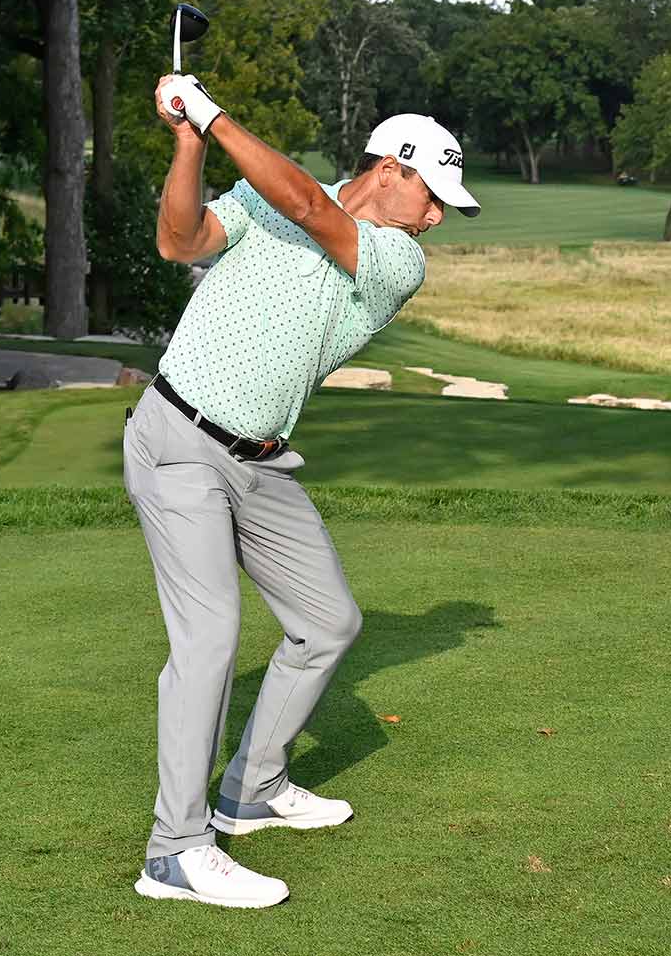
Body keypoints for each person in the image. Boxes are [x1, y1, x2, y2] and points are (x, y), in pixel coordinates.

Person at [122, 72, 480, 909]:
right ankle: (173, 850)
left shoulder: (398, 259)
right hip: (179, 439)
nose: (436, 218)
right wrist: (187, 148)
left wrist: (211, 116)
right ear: (391, 166)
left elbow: (318, 214)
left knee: (328, 623)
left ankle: (249, 790)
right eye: (432, 196)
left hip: (261, 462)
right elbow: (184, 240)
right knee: (210, 639)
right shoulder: (268, 192)